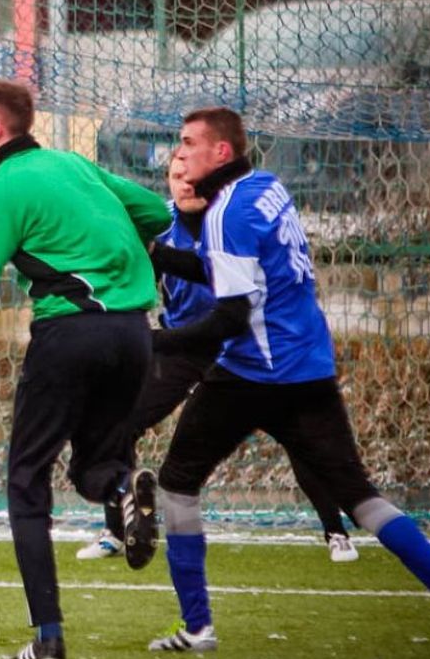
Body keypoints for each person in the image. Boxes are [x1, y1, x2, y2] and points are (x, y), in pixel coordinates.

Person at [147, 106, 430, 657]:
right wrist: (162, 255)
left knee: (176, 482)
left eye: (190, 142)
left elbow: (231, 317)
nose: (180, 152)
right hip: (310, 367)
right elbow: (236, 269)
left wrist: (154, 342)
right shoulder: (267, 188)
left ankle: (198, 629)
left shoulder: (225, 214)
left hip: (252, 372)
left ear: (221, 152)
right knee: (359, 495)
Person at [0, 78, 171, 659]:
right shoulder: (71, 164)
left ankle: (49, 636)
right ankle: (122, 490)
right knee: (92, 468)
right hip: (134, 334)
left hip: (70, 335)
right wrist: (107, 249)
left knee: (26, 482)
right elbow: (156, 211)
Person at [77, 159, 358, 564]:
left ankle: (335, 530)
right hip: (182, 346)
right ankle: (120, 528)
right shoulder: (159, 226)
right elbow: (135, 280)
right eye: (176, 176)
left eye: (191, 175)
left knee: (296, 434)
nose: (185, 183)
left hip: (237, 346)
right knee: (119, 421)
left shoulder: (229, 219)